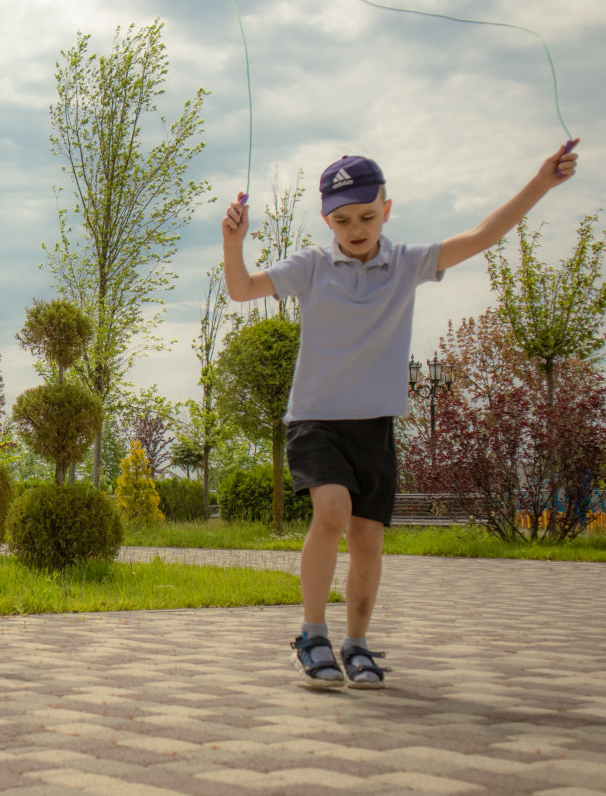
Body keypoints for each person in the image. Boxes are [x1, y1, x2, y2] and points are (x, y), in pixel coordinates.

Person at [221, 141, 579, 689]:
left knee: (367, 540)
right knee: (333, 511)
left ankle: (357, 644)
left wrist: (540, 183)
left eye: (367, 215)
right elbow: (242, 289)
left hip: (375, 425)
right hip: (315, 419)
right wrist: (233, 243)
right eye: (343, 220)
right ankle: (311, 634)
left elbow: (483, 237)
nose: (356, 228)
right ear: (327, 220)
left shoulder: (408, 263)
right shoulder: (312, 267)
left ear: (386, 209)